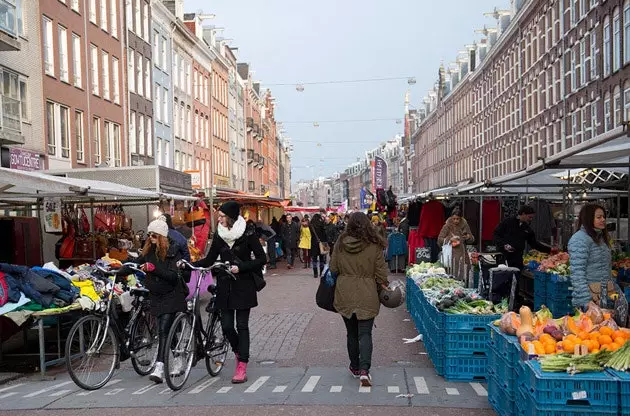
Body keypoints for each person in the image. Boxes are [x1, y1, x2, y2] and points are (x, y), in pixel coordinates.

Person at [188, 201, 266, 384]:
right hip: (224, 285)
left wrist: (242, 267)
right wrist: (190, 265)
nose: (219, 219)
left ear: (231, 217)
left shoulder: (247, 232)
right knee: (227, 326)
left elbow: (262, 258)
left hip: (244, 285)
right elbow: (209, 259)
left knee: (242, 325)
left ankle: (242, 364)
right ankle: (239, 351)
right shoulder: (219, 235)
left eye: (222, 216)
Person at [120, 219, 187, 384]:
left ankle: (159, 367)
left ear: (162, 236)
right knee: (165, 329)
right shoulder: (149, 250)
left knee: (164, 329)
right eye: (149, 235)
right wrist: (117, 269)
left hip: (172, 293)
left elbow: (173, 276)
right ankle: (178, 357)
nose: (151, 238)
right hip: (156, 294)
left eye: (154, 235)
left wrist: (154, 269)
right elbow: (136, 263)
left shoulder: (173, 250)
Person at [329, 212, 389, 387]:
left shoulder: (341, 242)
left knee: (351, 333)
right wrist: (384, 286)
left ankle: (354, 367)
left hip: (344, 292)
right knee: (365, 333)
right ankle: (364, 370)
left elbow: (333, 267)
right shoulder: (374, 244)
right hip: (367, 292)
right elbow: (381, 273)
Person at [568, 204, 613, 309]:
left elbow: (606, 269)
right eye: (599, 217)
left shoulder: (601, 238)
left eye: (603, 217)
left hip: (603, 296)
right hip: (589, 300)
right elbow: (577, 273)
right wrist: (586, 301)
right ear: (588, 218)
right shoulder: (579, 239)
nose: (603, 220)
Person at [437, 207, 474, 281]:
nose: (456, 221)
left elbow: (472, 239)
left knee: (463, 276)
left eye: (457, 219)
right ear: (451, 218)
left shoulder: (465, 225)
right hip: (450, 254)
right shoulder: (447, 226)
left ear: (460, 218)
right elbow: (439, 240)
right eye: (454, 219)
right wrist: (450, 239)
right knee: (452, 276)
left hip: (463, 255)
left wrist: (468, 237)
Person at [309, 213, 329, 278]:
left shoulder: (311, 225)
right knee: (321, 259)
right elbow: (325, 234)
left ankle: (315, 273)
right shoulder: (322, 224)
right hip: (322, 243)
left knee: (314, 259)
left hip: (314, 243)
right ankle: (321, 273)